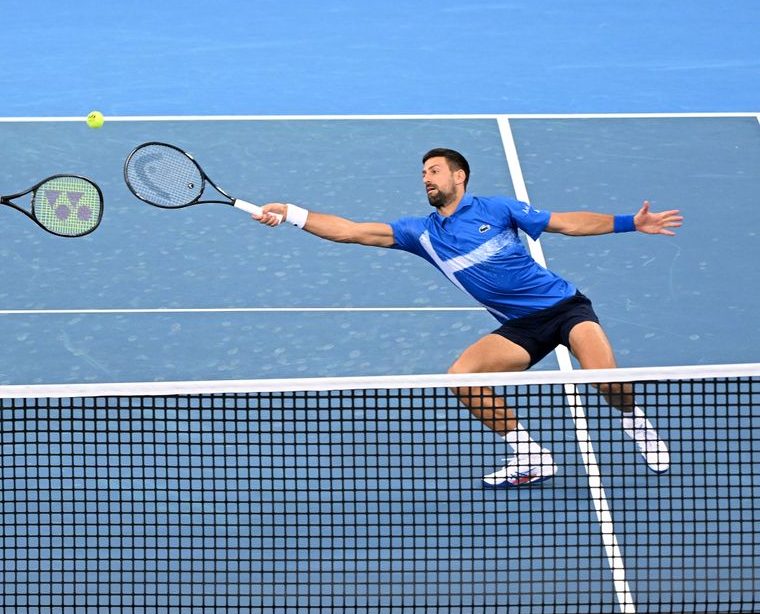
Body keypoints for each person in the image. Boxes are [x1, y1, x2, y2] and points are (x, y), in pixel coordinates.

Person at [252, 148, 683, 488]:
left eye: (434, 171)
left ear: (459, 176)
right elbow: (349, 230)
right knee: (462, 377)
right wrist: (291, 212)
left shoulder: (495, 209)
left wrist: (630, 222)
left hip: (565, 308)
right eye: (423, 173)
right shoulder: (420, 233)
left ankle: (634, 420)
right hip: (521, 327)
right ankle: (530, 454)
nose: (426, 179)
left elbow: (566, 224)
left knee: (607, 382)